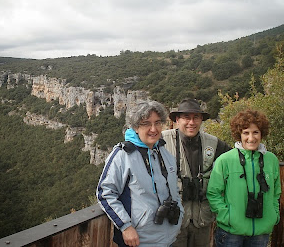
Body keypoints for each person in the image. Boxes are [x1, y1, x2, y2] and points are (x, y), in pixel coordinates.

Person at [97, 100, 183, 247]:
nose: (153, 129)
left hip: (169, 238)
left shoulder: (164, 152)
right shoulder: (123, 155)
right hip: (139, 241)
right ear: (136, 127)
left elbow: (174, 191)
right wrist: (125, 226)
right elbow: (105, 193)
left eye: (157, 123)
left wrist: (180, 213)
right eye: (146, 123)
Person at [161, 98, 231, 247]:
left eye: (196, 118)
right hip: (174, 220)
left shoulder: (214, 144)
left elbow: (234, 162)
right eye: (186, 117)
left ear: (201, 120)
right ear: (177, 120)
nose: (191, 122)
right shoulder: (162, 141)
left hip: (203, 220)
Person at [207, 109, 281, 247]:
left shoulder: (271, 160)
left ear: (262, 133)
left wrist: (273, 216)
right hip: (231, 233)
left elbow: (276, 193)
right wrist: (227, 217)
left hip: (261, 232)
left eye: (255, 132)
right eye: (246, 133)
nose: (251, 138)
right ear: (239, 134)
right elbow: (213, 193)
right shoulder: (225, 160)